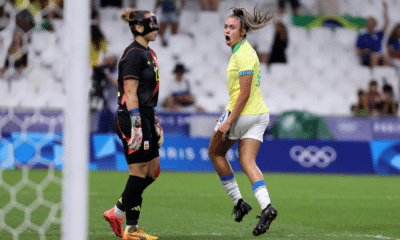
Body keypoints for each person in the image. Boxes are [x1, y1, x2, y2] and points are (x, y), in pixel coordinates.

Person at [207, 6, 277, 237]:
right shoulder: (242, 51)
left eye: (232, 27)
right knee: (248, 162)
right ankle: (267, 207)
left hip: (245, 113)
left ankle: (239, 202)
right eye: (225, 27)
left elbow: (243, 93)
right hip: (259, 115)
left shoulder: (244, 54)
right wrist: (227, 114)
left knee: (215, 153)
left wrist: (228, 121)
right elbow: (241, 92)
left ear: (243, 31)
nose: (227, 30)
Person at [103, 8, 163, 240]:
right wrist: (137, 123)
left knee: (153, 171)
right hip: (132, 116)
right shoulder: (133, 55)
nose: (156, 28)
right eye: (152, 24)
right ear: (139, 27)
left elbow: (148, 91)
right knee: (138, 172)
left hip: (145, 114)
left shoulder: (149, 53)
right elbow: (130, 92)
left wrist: (153, 118)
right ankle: (131, 230)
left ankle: (116, 212)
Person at [356, 1, 390, 68]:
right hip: (367, 58)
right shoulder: (361, 36)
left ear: (375, 24)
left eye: (372, 23)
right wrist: (364, 51)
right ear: (366, 24)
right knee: (374, 56)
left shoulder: (378, 34)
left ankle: (386, 74)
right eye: (369, 22)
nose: (370, 24)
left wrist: (385, 9)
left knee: (386, 56)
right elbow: (358, 52)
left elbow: (387, 23)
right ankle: (374, 75)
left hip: (378, 56)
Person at [94, 54, 119, 133]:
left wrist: (108, 75)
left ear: (114, 62)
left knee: (115, 131)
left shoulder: (118, 73)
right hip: (105, 105)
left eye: (109, 60)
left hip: (115, 107)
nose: (108, 62)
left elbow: (118, 86)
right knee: (101, 130)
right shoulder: (104, 72)